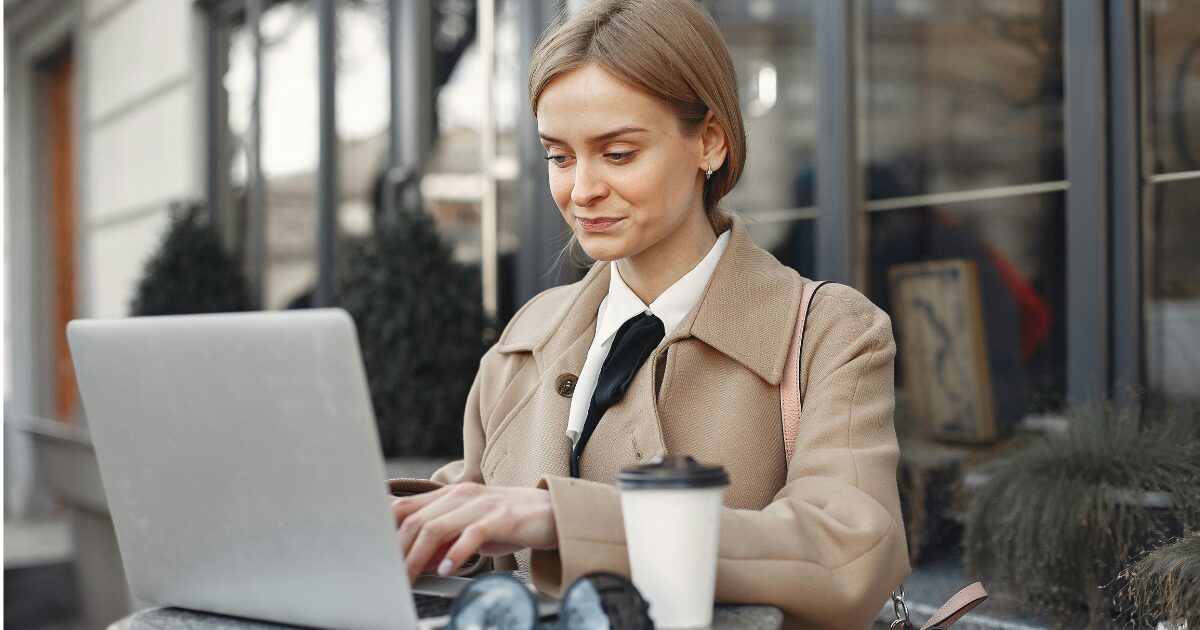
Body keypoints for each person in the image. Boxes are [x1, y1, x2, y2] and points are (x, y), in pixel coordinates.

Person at [387, 0, 910, 626]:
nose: (580, 190)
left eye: (618, 153)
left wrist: (566, 520)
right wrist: (374, 520)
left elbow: (848, 550)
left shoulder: (831, 332)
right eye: (559, 156)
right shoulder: (528, 336)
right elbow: (476, 506)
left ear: (709, 141)